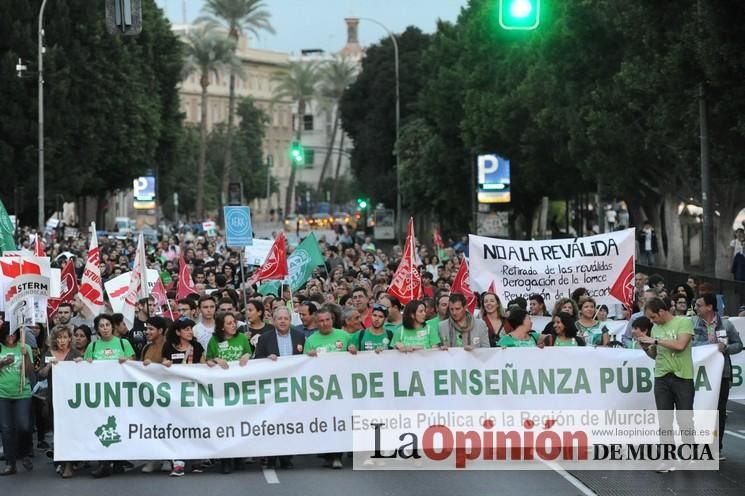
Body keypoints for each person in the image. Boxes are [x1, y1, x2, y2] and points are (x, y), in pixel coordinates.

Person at [636, 297, 694, 472]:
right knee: (665, 421)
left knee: (684, 419)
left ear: (661, 311)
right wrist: (646, 348)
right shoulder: (656, 328)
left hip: (682, 377)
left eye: (653, 317)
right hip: (661, 377)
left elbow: (680, 345)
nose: (652, 321)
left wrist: (654, 341)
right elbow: (655, 355)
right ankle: (667, 459)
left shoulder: (683, 322)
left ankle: (688, 451)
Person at [78, 314, 136, 478]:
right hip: (100, 394)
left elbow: (134, 364)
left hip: (120, 393)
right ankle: (104, 462)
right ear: (97, 330)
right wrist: (81, 363)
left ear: (113, 327)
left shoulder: (123, 343)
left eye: (107, 325)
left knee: (121, 424)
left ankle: (118, 461)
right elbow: (84, 368)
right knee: (103, 426)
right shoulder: (93, 347)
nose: (105, 328)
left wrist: (128, 360)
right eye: (101, 326)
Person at [691, 293, 743, 460]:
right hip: (699, 375)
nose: (696, 308)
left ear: (709, 307)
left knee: (719, 411)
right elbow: (689, 344)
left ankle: (716, 448)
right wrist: (709, 346)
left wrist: (724, 348)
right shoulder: (691, 323)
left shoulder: (726, 324)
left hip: (721, 375)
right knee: (698, 409)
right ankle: (697, 445)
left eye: (699, 305)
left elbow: (738, 345)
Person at [254, 306, 305, 470]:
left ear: (290, 320)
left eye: (286, 318)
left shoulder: (299, 336)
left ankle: (286, 457)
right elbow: (257, 361)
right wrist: (266, 359)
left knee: (288, 424)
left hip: (293, 387)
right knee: (272, 423)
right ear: (273, 321)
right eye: (279, 318)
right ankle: (270, 456)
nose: (283, 321)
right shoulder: (265, 338)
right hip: (272, 389)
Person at [303, 307, 350, 469]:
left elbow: (357, 355)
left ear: (332, 320)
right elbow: (303, 365)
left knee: (339, 421)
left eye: (327, 320)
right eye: (321, 321)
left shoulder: (344, 336)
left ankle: (338, 456)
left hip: (342, 388)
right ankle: (328, 454)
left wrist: (353, 349)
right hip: (321, 390)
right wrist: (308, 357)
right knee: (327, 422)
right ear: (316, 323)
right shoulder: (311, 340)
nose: (325, 323)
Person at [205, 312, 252, 474]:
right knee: (225, 425)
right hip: (221, 390)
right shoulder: (214, 341)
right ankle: (226, 459)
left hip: (240, 388)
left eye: (234, 322)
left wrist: (247, 355)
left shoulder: (242, 338)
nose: (233, 325)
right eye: (229, 323)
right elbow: (207, 360)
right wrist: (216, 360)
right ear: (221, 326)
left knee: (239, 423)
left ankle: (239, 458)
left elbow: (249, 354)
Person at [161, 317, 205, 476]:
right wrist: (164, 363)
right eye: (186, 329)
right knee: (177, 427)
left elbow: (204, 365)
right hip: (174, 394)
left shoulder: (197, 346)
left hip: (193, 393)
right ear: (178, 332)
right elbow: (163, 364)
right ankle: (177, 462)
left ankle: (196, 459)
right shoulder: (168, 347)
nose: (189, 332)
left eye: (191, 329)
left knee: (194, 425)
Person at [37, 325, 80, 478]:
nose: (61, 340)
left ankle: (68, 464)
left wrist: (81, 363)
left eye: (64, 337)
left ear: (70, 338)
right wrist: (49, 367)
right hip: (54, 399)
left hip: (73, 400)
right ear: (54, 339)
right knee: (58, 431)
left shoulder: (75, 353)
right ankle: (62, 460)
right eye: (58, 337)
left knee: (70, 430)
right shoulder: (48, 353)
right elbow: (40, 375)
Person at [0, 322, 34, 476]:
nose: (11, 337)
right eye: (8, 334)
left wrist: (25, 355)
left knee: (24, 426)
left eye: (13, 334)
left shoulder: (25, 347)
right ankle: (10, 463)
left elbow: (29, 372)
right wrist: (2, 363)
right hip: (3, 393)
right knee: (6, 429)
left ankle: (24, 452)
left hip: (22, 393)